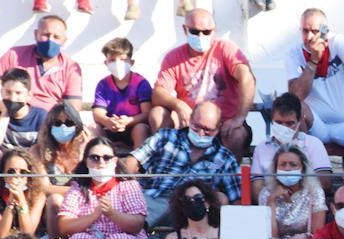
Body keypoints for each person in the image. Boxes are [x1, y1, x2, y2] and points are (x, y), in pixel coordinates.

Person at [150, 7, 255, 155]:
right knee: (157, 113)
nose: (200, 36)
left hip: (224, 124)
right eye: (194, 31)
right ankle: (167, 172)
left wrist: (239, 118)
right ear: (185, 30)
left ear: (214, 30)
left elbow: (247, 78)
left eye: (206, 32)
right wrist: (178, 105)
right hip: (190, 125)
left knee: (237, 135)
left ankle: (230, 177)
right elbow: (158, 93)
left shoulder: (226, 48)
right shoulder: (173, 57)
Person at [123, 100, 242, 227]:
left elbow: (236, 199)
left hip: (194, 208)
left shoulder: (225, 158)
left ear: (218, 129)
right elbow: (132, 160)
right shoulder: (165, 137)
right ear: (190, 120)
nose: (201, 134)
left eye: (207, 130)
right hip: (156, 197)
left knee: (220, 199)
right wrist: (131, 184)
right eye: (197, 127)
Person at [0, 16, 81, 141]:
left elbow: (73, 107)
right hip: (11, 121)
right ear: (36, 34)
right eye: (45, 35)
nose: (50, 40)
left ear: (64, 41)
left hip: (48, 125)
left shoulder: (71, 67)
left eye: (56, 37)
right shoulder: (14, 55)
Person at [285, 7, 344, 147]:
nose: (310, 37)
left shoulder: (338, 42)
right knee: (294, 105)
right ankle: (305, 162)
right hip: (317, 127)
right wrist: (313, 61)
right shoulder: (293, 53)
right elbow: (296, 96)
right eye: (305, 31)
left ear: (325, 31)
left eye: (315, 31)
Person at [249, 93, 332, 201]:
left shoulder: (313, 144)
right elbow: (256, 188)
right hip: (272, 205)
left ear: (299, 121)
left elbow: (325, 184)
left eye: (289, 123)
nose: (284, 127)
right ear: (272, 120)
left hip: (306, 206)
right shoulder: (262, 148)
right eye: (278, 122)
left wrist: (296, 196)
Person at [0, 69, 48, 187]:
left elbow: (45, 150)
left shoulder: (40, 115)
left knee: (37, 149)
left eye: (18, 93)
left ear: (29, 95)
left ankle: (38, 195)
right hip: (4, 167)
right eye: (8, 92)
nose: (13, 98)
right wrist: (5, 113)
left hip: (29, 169)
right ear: (1, 92)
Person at [32, 101, 91, 239]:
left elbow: (88, 183)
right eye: (57, 123)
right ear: (49, 126)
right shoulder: (38, 150)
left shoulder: (85, 149)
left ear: (77, 126)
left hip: (80, 203)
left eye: (69, 123)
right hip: (50, 208)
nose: (63, 127)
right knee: (55, 200)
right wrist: (75, 190)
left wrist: (83, 153)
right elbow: (43, 187)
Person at [92, 36, 151, 152]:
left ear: (131, 62)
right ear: (106, 63)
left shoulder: (141, 83)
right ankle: (99, 160)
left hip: (134, 128)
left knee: (141, 129)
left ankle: (136, 165)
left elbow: (147, 113)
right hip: (110, 129)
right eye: (112, 60)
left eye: (123, 60)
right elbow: (97, 113)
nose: (118, 64)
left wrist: (129, 121)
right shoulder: (103, 85)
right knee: (93, 128)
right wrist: (107, 121)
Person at [0, 148, 46, 239]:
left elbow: (27, 234)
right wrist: (11, 202)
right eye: (11, 171)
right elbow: (0, 235)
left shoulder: (38, 195)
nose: (17, 176)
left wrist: (21, 199)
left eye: (23, 172)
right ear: (3, 173)